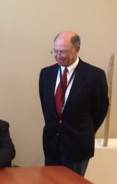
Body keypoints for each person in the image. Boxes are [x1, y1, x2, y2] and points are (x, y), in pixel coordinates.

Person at [39, 31, 109, 176]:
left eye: (63, 52)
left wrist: (84, 130)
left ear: (77, 49)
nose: (58, 56)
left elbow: (100, 110)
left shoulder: (95, 75)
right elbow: (47, 107)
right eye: (55, 51)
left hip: (78, 146)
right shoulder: (46, 74)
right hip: (52, 144)